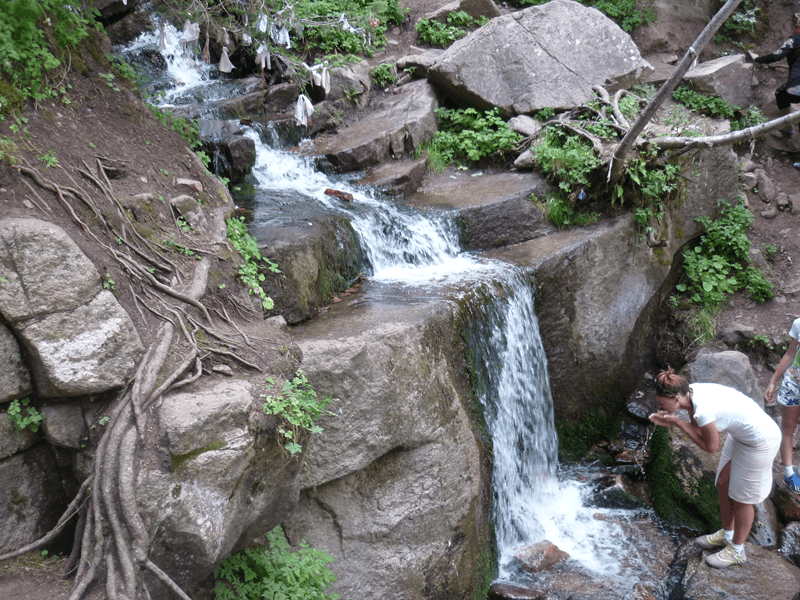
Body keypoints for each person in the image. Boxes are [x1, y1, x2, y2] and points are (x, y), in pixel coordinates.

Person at [649, 367, 780, 569]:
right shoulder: (689, 394)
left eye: (661, 403)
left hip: (760, 440)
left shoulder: (702, 409)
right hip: (742, 435)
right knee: (723, 482)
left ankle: (737, 551)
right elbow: (699, 430)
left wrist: (676, 422)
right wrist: (677, 420)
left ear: (675, 399)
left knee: (743, 499)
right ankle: (727, 534)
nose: (659, 406)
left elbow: (710, 447)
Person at [765, 317, 800, 494]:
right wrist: (773, 380)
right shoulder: (799, 323)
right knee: (788, 428)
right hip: (794, 385)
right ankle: (789, 474)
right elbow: (790, 354)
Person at [753, 13, 800, 138]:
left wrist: (758, 59)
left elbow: (776, 56)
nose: (794, 29)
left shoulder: (794, 40)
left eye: (795, 26)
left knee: (781, 94)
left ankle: (788, 127)